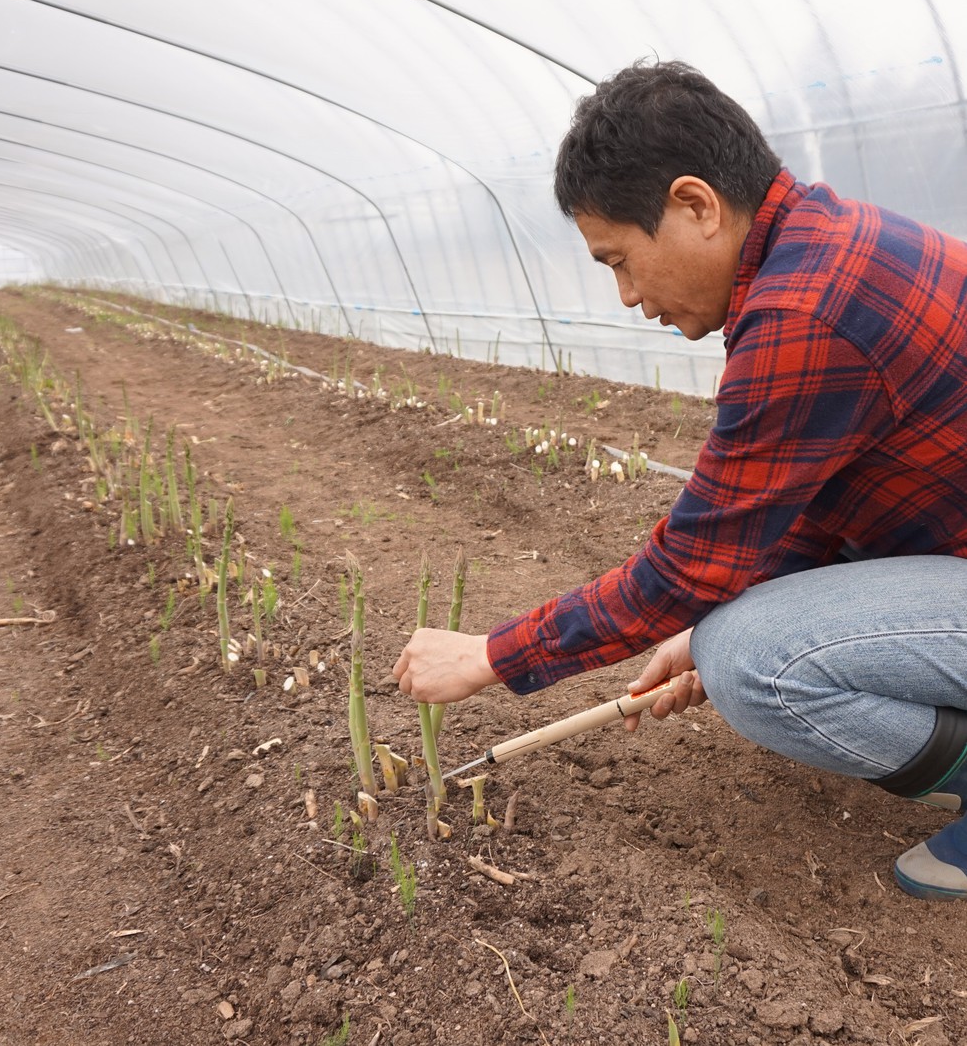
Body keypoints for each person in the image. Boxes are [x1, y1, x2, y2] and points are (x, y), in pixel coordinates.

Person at [392, 59, 967, 901]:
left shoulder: (803, 311)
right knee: (727, 626)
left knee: (751, 658)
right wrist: (698, 619)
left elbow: (690, 567)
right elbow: (808, 504)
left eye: (620, 259)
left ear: (695, 205)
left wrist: (490, 655)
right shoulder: (820, 251)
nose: (627, 296)